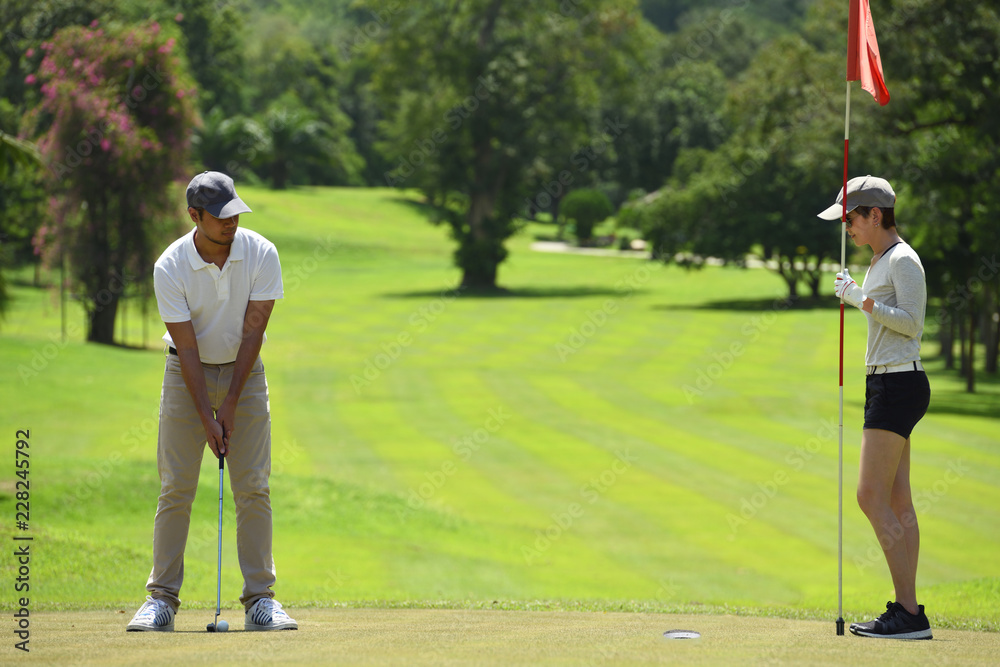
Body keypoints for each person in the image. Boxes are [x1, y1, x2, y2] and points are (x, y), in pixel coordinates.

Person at [127, 171, 296, 632]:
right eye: (220, 216)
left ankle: (261, 600)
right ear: (194, 216)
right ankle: (161, 599)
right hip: (187, 376)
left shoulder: (262, 253)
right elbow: (186, 351)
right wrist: (208, 415)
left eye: (235, 212)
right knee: (176, 486)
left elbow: (253, 332)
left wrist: (232, 402)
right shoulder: (171, 265)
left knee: (254, 487)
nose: (231, 222)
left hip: (245, 371)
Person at [818, 175, 932, 640]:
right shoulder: (880, 259)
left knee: (869, 496)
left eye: (851, 218)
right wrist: (859, 293)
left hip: (899, 384)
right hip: (889, 383)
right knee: (898, 501)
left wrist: (859, 299)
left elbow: (913, 324)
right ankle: (911, 612)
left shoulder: (902, 259)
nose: (847, 227)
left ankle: (908, 612)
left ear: (874, 215)